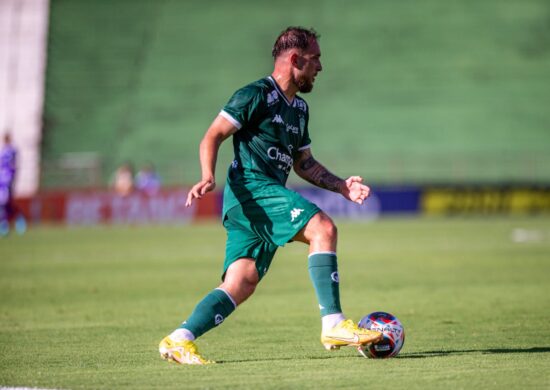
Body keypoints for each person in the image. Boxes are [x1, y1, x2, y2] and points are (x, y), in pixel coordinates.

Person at [159, 27, 382, 365]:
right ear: (295, 59)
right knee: (323, 228)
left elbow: (303, 163)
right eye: (316, 58)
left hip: (256, 200)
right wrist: (207, 175)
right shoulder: (255, 95)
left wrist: (342, 186)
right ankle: (333, 323)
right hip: (252, 188)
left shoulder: (300, 109)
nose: (320, 66)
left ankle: (179, 339)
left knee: (242, 281)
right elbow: (213, 135)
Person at [0, 133, 27, 236]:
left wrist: (12, 179)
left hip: (7, 182)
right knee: (4, 205)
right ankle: (5, 226)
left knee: (6, 204)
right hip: (2, 182)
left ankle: (17, 221)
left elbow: (14, 166)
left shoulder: (12, 151)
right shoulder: (3, 151)